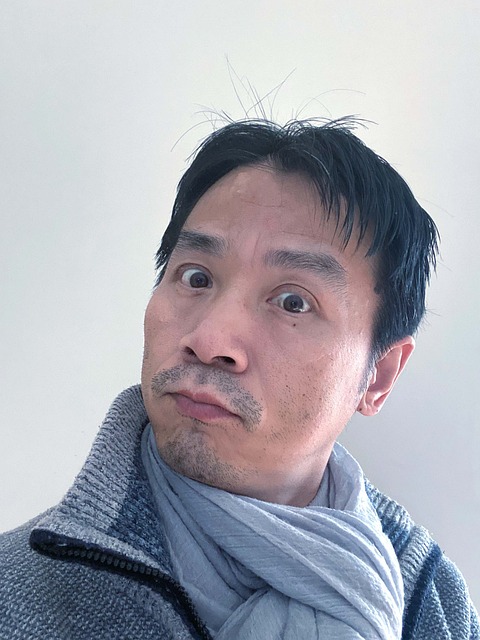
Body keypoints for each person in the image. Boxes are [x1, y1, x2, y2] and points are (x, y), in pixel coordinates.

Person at [0, 118, 478, 640]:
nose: (209, 340)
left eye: (293, 302)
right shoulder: (17, 596)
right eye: (196, 277)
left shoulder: (435, 607)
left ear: (378, 376)